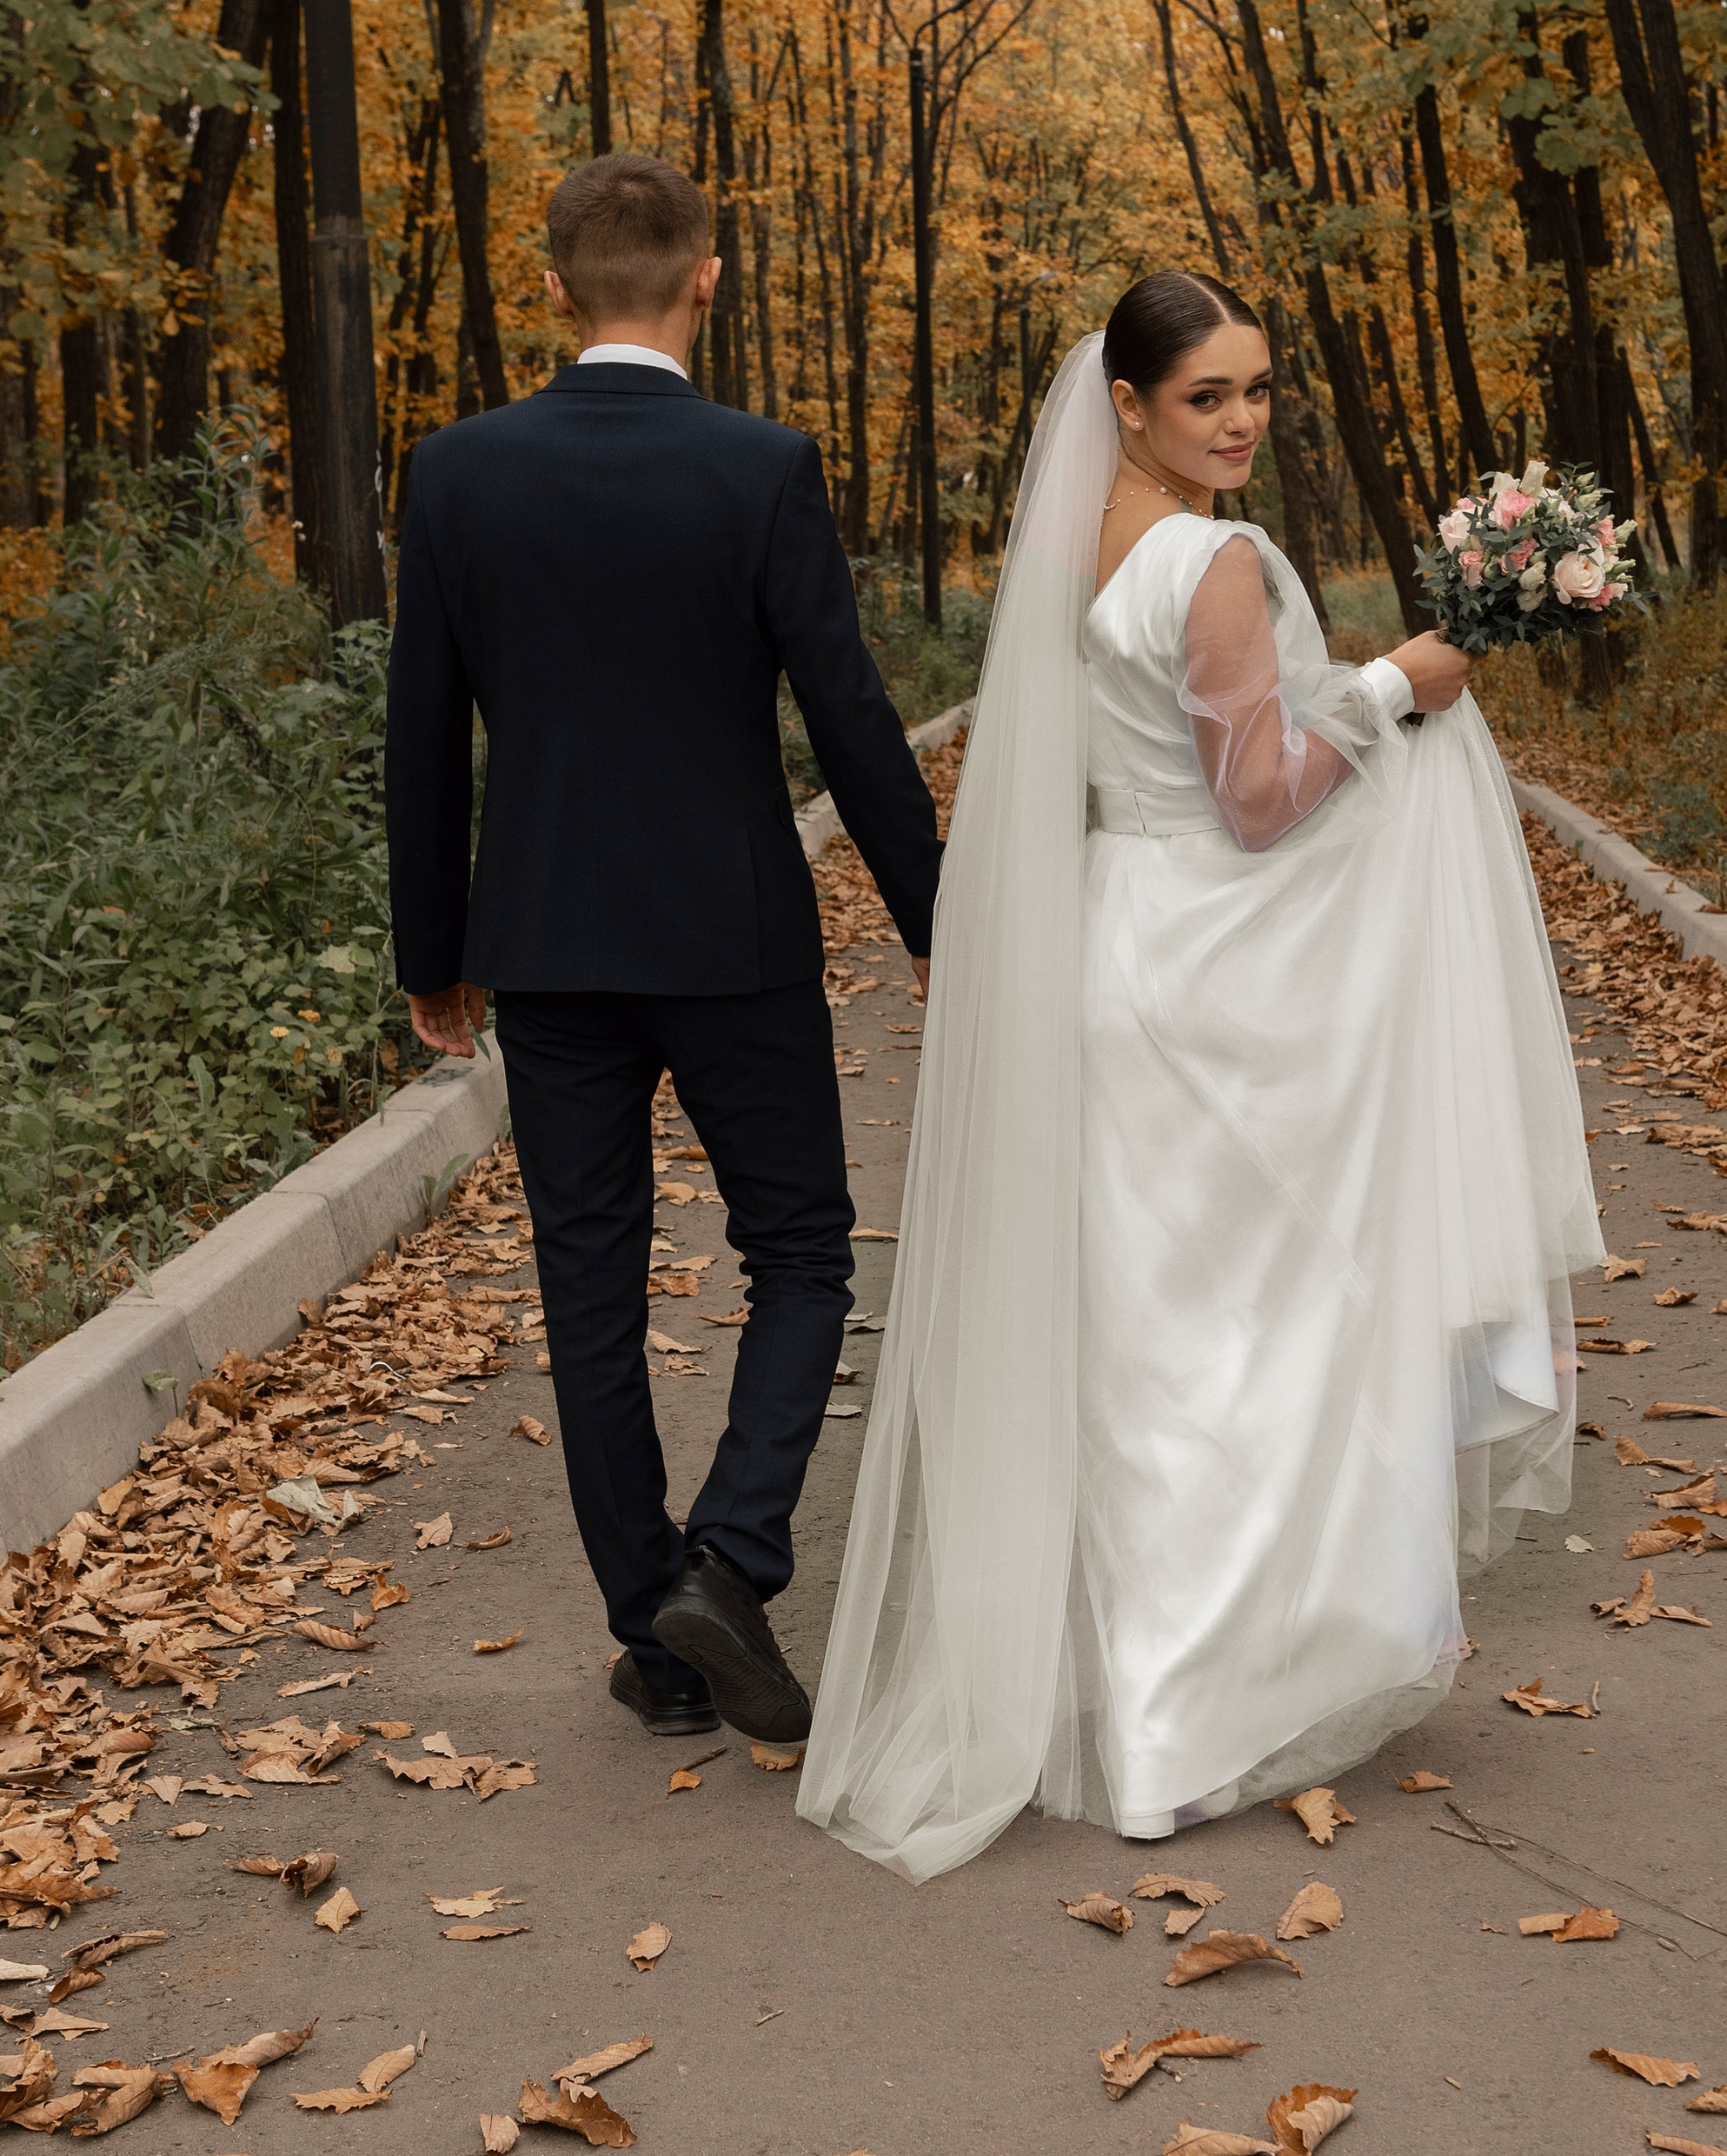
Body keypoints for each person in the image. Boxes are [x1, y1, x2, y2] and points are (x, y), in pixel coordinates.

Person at [799, 271, 1602, 1880]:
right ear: (1131, 405)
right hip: (1231, 976)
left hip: (1122, 947)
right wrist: (1399, 685)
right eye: (1204, 398)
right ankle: (1198, 1713)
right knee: (1259, 1342)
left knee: (1156, 1352)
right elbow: (1258, 798)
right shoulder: (1215, 559)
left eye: (1254, 389)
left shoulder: (1078, 550)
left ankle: (1142, 1722)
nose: (1239, 421)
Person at [384, 150, 940, 1747]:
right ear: (709, 277)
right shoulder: (759, 466)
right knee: (805, 1249)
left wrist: (437, 947)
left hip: (547, 943)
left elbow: (421, 734)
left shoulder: (460, 472)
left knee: (590, 1285)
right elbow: (848, 717)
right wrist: (941, 926)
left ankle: (661, 1635)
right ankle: (736, 1555)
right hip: (728, 933)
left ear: (556, 286)